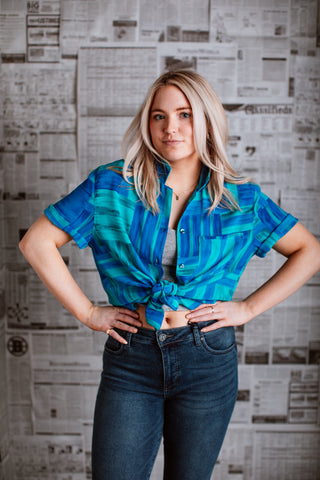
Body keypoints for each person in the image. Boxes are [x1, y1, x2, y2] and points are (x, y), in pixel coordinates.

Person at [19, 70, 320, 480]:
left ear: (206, 120)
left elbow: (309, 250)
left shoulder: (240, 198)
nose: (170, 128)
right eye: (159, 116)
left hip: (208, 359)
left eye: (185, 114)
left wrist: (248, 307)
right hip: (133, 357)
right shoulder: (111, 186)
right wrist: (89, 312)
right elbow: (35, 242)